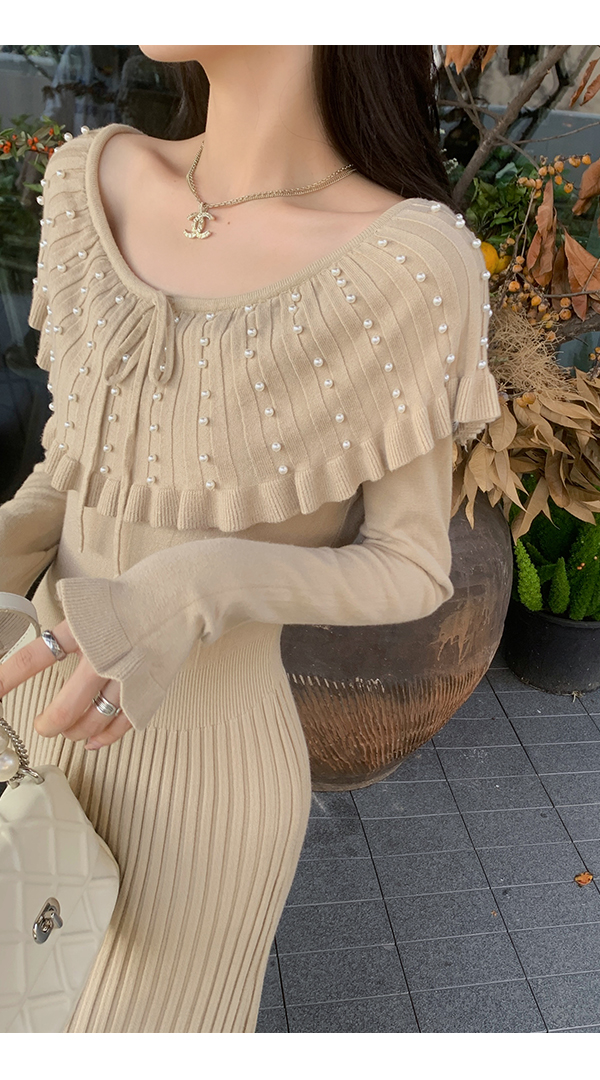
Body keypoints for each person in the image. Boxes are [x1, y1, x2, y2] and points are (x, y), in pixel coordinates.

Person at [0, 45, 501, 1033]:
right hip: (28, 715)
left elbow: (411, 566)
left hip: (203, 793)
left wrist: (197, 585)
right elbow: (82, 458)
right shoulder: (89, 181)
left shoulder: (410, 263)